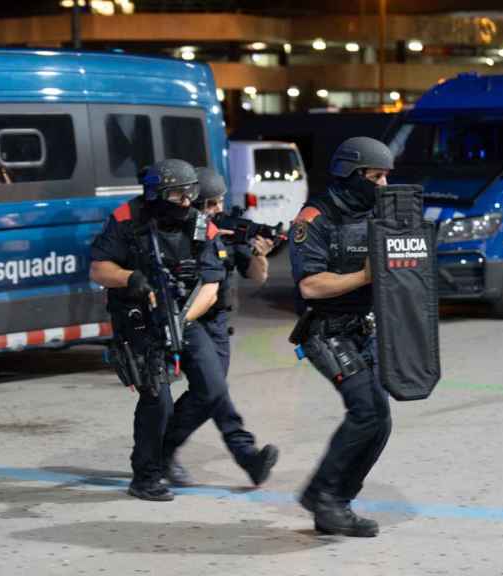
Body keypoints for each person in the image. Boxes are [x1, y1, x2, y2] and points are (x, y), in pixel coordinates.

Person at [90, 158, 224, 501]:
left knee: (212, 388)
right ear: (156, 194)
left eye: (190, 195)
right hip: (137, 318)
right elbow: (99, 269)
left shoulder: (199, 226)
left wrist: (180, 321)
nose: (185, 203)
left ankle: (165, 453)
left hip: (183, 316)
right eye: (177, 196)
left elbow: (210, 288)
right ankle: (146, 475)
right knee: (157, 399)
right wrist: (130, 278)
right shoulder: (126, 219)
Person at [288, 136, 394, 537]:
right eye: (376, 176)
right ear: (352, 175)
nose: (383, 186)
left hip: (363, 329)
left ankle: (337, 503)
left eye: (386, 177)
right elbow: (310, 286)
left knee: (379, 422)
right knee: (366, 411)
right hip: (326, 332)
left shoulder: (378, 214)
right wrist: (365, 276)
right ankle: (323, 497)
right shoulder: (314, 219)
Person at [160, 166, 278, 487]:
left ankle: (160, 451)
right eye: (211, 204)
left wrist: (259, 253)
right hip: (191, 320)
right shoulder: (181, 232)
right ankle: (246, 454)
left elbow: (257, 276)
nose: (218, 210)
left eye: (221, 202)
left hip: (219, 324)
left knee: (206, 393)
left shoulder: (226, 230)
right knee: (212, 388)